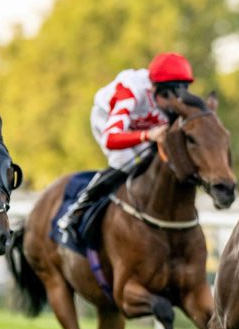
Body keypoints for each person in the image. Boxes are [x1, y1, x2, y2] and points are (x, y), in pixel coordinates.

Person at [56, 52, 194, 244]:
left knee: (155, 163)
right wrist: (147, 135)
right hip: (107, 121)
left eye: (179, 96)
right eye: (167, 97)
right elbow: (111, 138)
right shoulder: (131, 91)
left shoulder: (173, 101)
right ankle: (76, 212)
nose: (173, 105)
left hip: (140, 125)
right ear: (154, 88)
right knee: (125, 163)